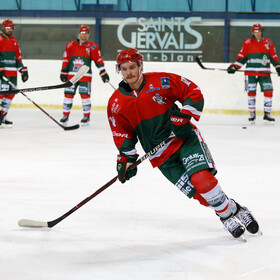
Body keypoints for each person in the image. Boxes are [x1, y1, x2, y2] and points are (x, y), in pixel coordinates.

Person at [107, 48, 260, 239]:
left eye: (132, 67)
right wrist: (126, 158)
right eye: (124, 69)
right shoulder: (116, 103)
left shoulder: (161, 81)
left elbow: (191, 91)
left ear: (141, 66)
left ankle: (225, 216)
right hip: (160, 157)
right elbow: (122, 134)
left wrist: (184, 117)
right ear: (119, 70)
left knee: (202, 180)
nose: (129, 72)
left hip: (183, 139)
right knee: (202, 195)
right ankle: (234, 208)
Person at [227, 23, 280, 124]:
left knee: (269, 92)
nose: (257, 34)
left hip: (264, 73)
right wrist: (234, 67)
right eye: (255, 32)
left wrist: (278, 67)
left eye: (259, 31)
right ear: (253, 32)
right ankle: (252, 114)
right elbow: (241, 57)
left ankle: (267, 114)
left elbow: (273, 56)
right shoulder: (247, 42)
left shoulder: (268, 42)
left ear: (261, 31)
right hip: (250, 73)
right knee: (251, 93)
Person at [60, 24, 109, 125]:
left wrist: (103, 73)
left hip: (85, 76)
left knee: (85, 95)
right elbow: (66, 59)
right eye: (82, 33)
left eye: (86, 33)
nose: (84, 35)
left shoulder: (92, 46)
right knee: (68, 95)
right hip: (72, 75)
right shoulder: (71, 45)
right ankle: (65, 115)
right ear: (79, 33)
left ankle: (86, 116)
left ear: (88, 34)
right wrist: (64, 72)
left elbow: (98, 60)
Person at [0, 19, 28, 127]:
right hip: (2, 74)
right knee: (1, 94)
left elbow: (18, 58)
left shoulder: (14, 41)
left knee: (10, 95)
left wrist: (22, 70)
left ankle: (2, 116)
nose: (10, 30)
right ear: (3, 28)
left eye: (12, 28)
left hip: (12, 75)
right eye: (8, 28)